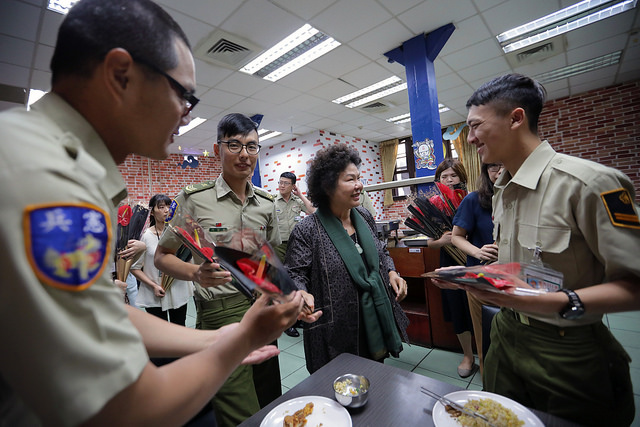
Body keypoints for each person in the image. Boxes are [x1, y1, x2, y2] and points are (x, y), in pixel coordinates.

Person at [0, 1, 307, 425]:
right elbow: (127, 409)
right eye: (183, 93)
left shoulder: (46, 157)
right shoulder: (52, 182)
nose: (186, 113)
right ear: (120, 75)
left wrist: (225, 338)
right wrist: (240, 339)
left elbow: (101, 314)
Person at [438, 73, 640, 426]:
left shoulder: (589, 184)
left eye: (474, 127)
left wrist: (559, 302)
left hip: (567, 346)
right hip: (505, 334)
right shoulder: (503, 188)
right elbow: (519, 263)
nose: (469, 139)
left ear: (516, 118)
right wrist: (472, 277)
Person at [155, 113, 321, 427]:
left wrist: (292, 298)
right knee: (238, 410)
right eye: (234, 145)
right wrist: (194, 273)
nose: (244, 154)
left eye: (252, 146)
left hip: (262, 308)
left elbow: (271, 265)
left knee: (270, 397)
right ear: (218, 150)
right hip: (219, 313)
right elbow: (162, 256)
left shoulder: (267, 203)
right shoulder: (193, 200)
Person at [285, 143, 410, 374]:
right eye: (350, 179)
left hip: (373, 319)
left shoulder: (363, 216)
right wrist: (300, 292)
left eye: (359, 178)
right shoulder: (308, 230)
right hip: (335, 327)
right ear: (328, 185)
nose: (359, 185)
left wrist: (392, 272)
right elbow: (295, 273)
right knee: (337, 386)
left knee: (375, 379)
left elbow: (380, 251)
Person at [426, 159, 477, 378]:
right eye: (444, 176)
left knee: (478, 305)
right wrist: (444, 241)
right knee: (457, 308)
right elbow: (430, 241)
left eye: (453, 176)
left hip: (474, 259)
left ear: (462, 178)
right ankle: (468, 355)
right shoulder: (434, 203)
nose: (448, 180)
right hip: (449, 260)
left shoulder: (473, 200)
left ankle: (485, 353)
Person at [451, 162, 503, 376]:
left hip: (517, 279)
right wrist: (477, 252)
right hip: (482, 281)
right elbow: (456, 236)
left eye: (503, 164)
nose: (499, 171)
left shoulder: (520, 197)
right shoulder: (474, 199)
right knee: (486, 338)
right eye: (493, 167)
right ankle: (487, 377)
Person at [131, 194, 194, 325]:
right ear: (152, 212)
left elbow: (187, 260)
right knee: (159, 331)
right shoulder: (146, 236)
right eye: (161, 207)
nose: (166, 210)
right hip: (154, 292)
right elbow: (134, 268)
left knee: (180, 328)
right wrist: (153, 285)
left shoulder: (179, 234)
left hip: (178, 290)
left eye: (168, 206)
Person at [274, 171, 315, 337]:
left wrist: (300, 195)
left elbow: (313, 211)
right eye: (280, 182)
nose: (282, 185)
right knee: (283, 284)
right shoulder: (272, 201)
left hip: (296, 247)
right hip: (279, 246)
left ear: (293, 186)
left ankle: (298, 318)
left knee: (297, 282)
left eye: (286, 183)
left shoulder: (297, 201)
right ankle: (286, 322)